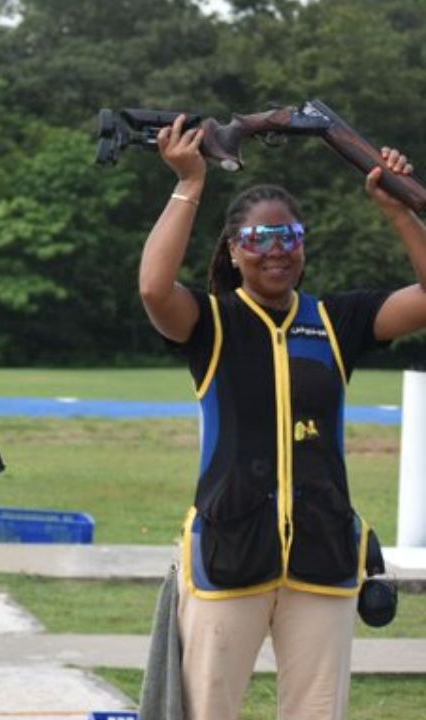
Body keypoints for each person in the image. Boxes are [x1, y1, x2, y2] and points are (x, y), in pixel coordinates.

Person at [138, 115, 426, 720]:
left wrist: (400, 210)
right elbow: (154, 291)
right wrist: (188, 182)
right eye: (259, 238)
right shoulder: (213, 322)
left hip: (324, 554)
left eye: (289, 236)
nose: (277, 250)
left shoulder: (337, 322)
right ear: (233, 250)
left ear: (304, 245)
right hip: (229, 552)